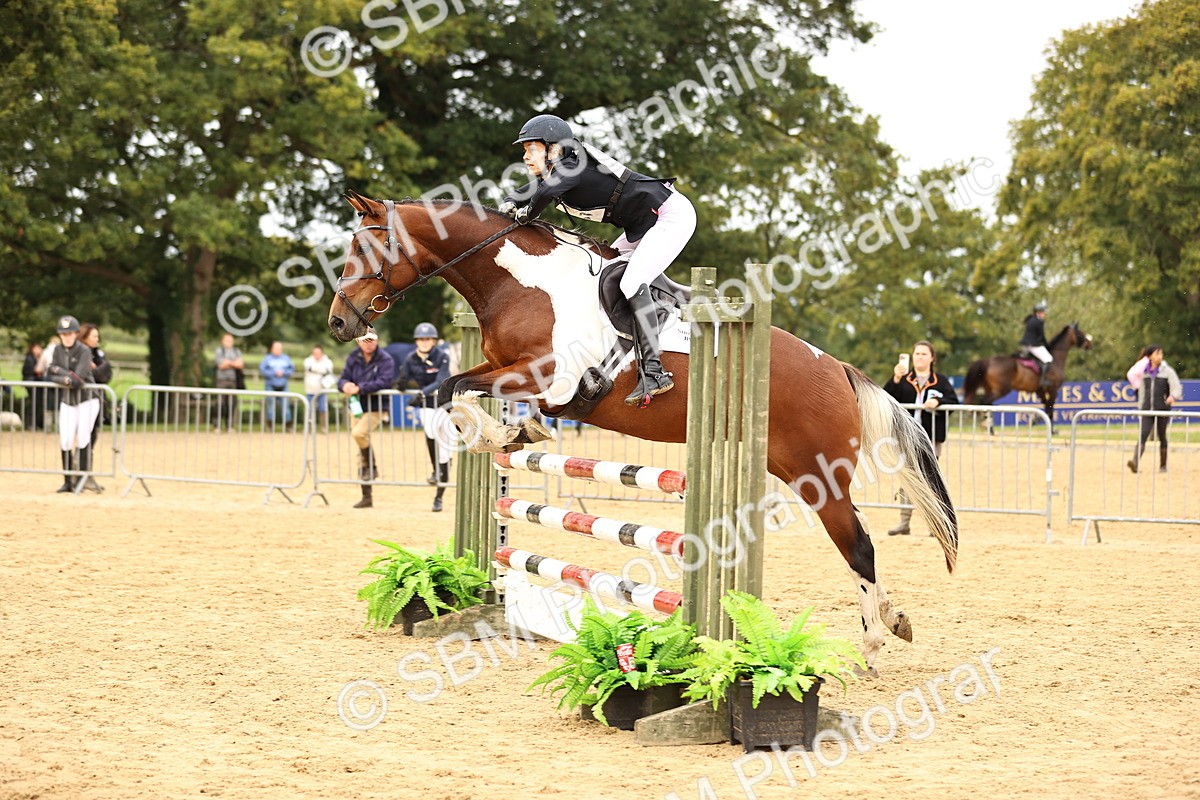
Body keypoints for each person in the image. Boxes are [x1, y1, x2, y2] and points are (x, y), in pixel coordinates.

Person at [498, 114, 697, 408]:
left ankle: (654, 371)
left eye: (530, 148)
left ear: (553, 147)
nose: (525, 156)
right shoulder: (559, 168)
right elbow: (535, 189)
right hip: (644, 226)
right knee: (606, 274)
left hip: (670, 215)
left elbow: (544, 193)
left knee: (631, 281)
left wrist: (527, 211)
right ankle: (691, 301)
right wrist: (510, 201)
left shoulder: (571, 166)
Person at [882, 340, 960, 536]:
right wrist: (896, 379)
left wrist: (938, 401)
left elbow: (953, 400)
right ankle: (904, 522)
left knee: (929, 478)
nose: (919, 357)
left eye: (924, 354)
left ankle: (936, 524)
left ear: (932, 358)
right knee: (908, 479)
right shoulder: (904, 378)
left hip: (931, 437)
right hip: (906, 436)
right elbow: (886, 398)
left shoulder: (940, 381)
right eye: (916, 354)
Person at [397, 322, 455, 512]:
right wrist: (401, 379)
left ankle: (439, 495)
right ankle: (436, 470)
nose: (424, 342)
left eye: (427, 339)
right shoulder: (410, 359)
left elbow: (441, 381)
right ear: (416, 341)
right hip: (427, 408)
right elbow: (402, 383)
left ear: (433, 341)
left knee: (445, 452)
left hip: (444, 406)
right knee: (430, 430)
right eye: (421, 339)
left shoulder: (442, 356)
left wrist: (422, 392)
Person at [338, 330, 396, 508]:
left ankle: (372, 467)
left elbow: (385, 381)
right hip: (357, 407)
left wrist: (360, 388)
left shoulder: (386, 359)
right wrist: (345, 385)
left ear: (377, 341)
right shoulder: (353, 357)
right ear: (358, 342)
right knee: (359, 449)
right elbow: (342, 379)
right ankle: (366, 495)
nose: (368, 343)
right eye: (364, 340)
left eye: (371, 340)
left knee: (359, 433)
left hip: (376, 407)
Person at [44, 315, 100, 493]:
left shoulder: (83, 350)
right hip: (68, 400)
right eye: (63, 334)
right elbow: (50, 372)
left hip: (86, 399)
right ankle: (68, 481)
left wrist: (59, 373)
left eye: (69, 333)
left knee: (83, 438)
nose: (66, 337)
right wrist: (64, 375)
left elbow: (78, 379)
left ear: (76, 334)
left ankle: (82, 479)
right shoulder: (57, 350)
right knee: (66, 439)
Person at [1126, 344, 1182, 474]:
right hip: (1147, 409)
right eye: (1157, 354)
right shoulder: (1143, 372)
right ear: (1150, 356)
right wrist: (1140, 406)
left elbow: (1177, 387)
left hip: (1162, 409)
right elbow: (1140, 389)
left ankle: (1163, 465)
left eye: (1161, 354)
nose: (1160, 357)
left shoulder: (1167, 371)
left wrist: (1173, 396)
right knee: (1143, 434)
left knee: (1162, 436)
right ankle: (1135, 461)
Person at [77, 324, 113, 492]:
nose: (97, 340)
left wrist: (97, 369)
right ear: (84, 338)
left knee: (92, 438)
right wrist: (97, 370)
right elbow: (89, 375)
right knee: (82, 439)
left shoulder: (99, 354)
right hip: (82, 401)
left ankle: (86, 475)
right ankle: (77, 475)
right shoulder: (78, 353)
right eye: (94, 337)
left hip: (97, 401)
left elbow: (105, 376)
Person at [259, 341, 295, 432]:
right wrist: (274, 373)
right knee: (270, 406)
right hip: (270, 385)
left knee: (285, 406)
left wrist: (284, 373)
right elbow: (262, 370)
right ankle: (270, 427)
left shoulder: (286, 358)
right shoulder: (267, 359)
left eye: (279, 348)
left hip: (283, 385)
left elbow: (291, 369)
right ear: (272, 349)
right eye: (276, 348)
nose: (278, 350)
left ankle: (288, 426)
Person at [213, 333, 244, 432]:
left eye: (230, 340)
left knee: (232, 404)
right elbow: (221, 365)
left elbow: (240, 364)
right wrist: (233, 363)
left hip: (233, 381)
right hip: (221, 380)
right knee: (220, 403)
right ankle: (217, 425)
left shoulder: (236, 351)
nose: (229, 343)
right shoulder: (219, 351)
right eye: (227, 340)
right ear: (222, 341)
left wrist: (228, 362)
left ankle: (230, 426)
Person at [1019, 301, 1053, 391]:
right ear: (1038, 312)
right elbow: (1041, 336)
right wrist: (1047, 346)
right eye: (1043, 312)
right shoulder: (1039, 321)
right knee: (1048, 359)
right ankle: (1043, 380)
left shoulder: (1030, 320)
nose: (1044, 314)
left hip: (1026, 344)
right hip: (1033, 345)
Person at [303, 345, 336, 433]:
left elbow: (328, 370)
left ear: (322, 353)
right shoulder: (307, 360)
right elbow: (309, 368)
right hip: (310, 389)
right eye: (315, 353)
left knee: (323, 409)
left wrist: (315, 369)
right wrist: (322, 370)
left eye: (318, 353)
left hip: (322, 390)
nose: (316, 355)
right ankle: (309, 428)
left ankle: (323, 428)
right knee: (309, 409)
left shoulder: (328, 361)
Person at [20, 342, 46, 431]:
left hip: (35, 382)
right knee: (33, 403)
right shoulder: (30, 358)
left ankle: (35, 423)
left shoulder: (36, 358)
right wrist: (36, 372)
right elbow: (28, 371)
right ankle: (30, 424)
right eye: (36, 348)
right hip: (31, 383)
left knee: (36, 404)